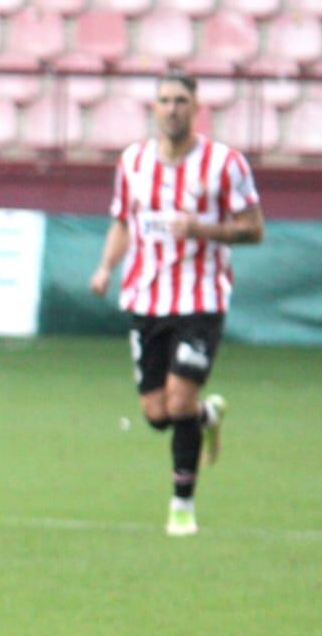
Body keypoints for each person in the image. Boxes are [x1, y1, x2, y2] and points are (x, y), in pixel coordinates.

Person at [88, 71, 264, 537]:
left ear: (196, 106)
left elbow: (254, 228)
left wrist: (203, 229)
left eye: (181, 100)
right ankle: (208, 417)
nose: (172, 108)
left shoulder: (224, 164)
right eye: (164, 100)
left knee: (180, 396)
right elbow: (123, 221)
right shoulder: (133, 162)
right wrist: (106, 266)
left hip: (200, 298)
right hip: (146, 298)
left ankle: (181, 506)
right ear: (153, 107)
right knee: (158, 414)